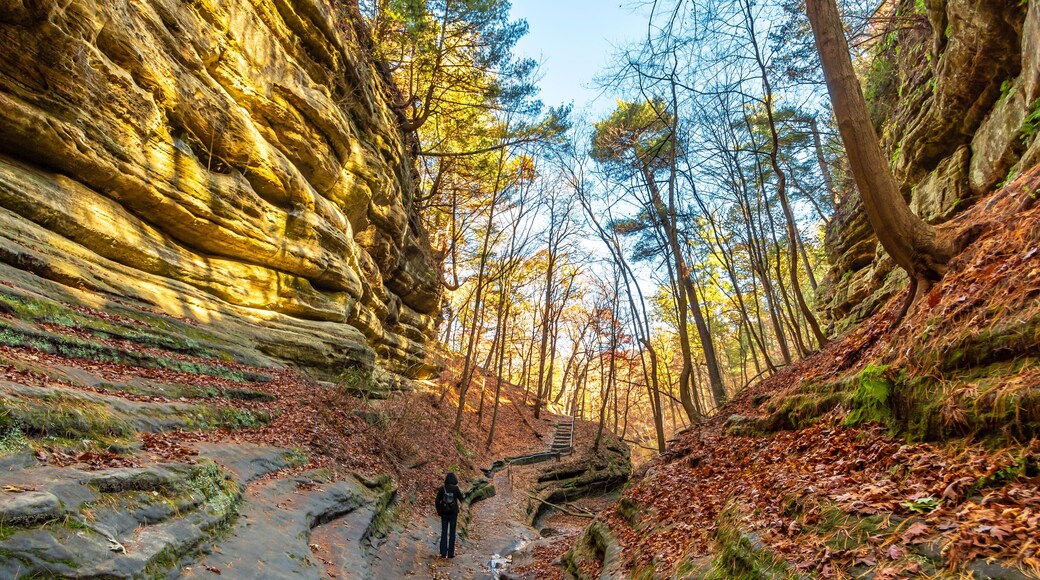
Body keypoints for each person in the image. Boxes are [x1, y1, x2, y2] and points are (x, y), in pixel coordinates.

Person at [435, 472, 465, 558]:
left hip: (444, 513)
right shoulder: (455, 489)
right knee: (452, 533)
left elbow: (437, 501)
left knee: (444, 532)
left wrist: (439, 511)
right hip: (453, 513)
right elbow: (461, 499)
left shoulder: (442, 488)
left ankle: (443, 553)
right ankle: (451, 553)